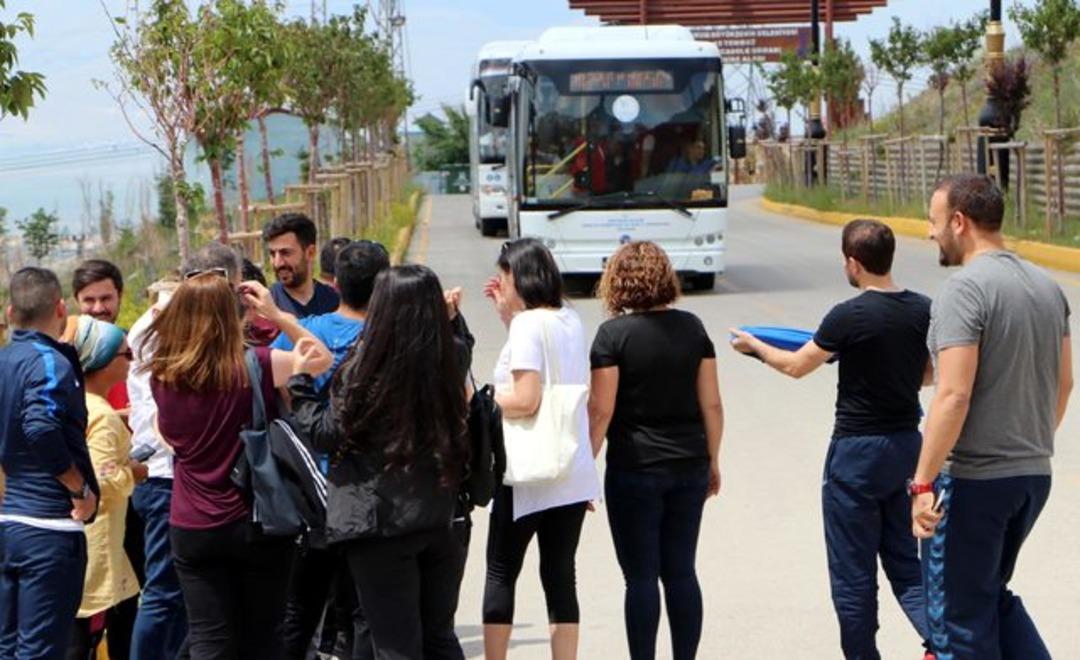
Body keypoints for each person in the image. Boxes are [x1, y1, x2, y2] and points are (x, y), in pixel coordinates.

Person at [731, 219, 934, 660]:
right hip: (906, 448)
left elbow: (795, 365)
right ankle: (944, 646)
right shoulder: (924, 310)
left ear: (853, 263)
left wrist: (754, 347)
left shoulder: (849, 315)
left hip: (856, 454)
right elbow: (932, 374)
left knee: (853, 574)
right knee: (906, 564)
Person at [912, 174, 1073, 660]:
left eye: (935, 222)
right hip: (1030, 476)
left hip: (973, 480)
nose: (930, 233)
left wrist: (921, 485)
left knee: (958, 620)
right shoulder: (1047, 287)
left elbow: (953, 394)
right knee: (990, 599)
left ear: (959, 222)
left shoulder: (964, 290)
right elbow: (1065, 383)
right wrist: (1027, 442)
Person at [141, 266, 331, 659]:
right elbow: (321, 359)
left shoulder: (162, 374)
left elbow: (165, 435)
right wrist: (278, 316)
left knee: (210, 639)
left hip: (191, 523)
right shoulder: (257, 364)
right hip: (256, 518)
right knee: (263, 637)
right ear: (235, 316)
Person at [289, 265, 471, 659]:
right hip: (440, 515)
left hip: (380, 522)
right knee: (439, 637)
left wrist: (301, 383)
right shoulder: (450, 357)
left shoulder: (369, 368)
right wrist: (454, 321)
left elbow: (325, 432)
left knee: (394, 644)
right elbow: (462, 344)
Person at [587, 241, 722, 660]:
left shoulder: (612, 335)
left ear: (617, 283)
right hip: (689, 465)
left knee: (641, 578)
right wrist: (713, 461)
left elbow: (601, 410)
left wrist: (583, 470)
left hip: (634, 469)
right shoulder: (693, 328)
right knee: (681, 571)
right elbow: (712, 404)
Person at [482, 238, 601, 660]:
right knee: (560, 576)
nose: (500, 282)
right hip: (569, 469)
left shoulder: (528, 325)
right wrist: (508, 319)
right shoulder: (570, 317)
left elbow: (527, 399)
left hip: (526, 473)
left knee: (500, 571)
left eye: (505, 275)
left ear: (521, 277)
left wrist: (481, 398)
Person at [274, 239, 390, 660]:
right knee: (360, 610)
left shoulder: (316, 330)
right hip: (372, 493)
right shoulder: (387, 335)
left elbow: (280, 379)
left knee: (301, 607)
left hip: (314, 490)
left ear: (335, 282)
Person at [127, 244, 241, 660]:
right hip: (167, 477)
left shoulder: (164, 324)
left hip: (179, 477)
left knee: (186, 602)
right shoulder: (169, 328)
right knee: (163, 595)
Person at [0, 267, 100, 660]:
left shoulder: (5, 361)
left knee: (8, 649)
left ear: (10, 312)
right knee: (39, 653)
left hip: (9, 526)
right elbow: (40, 428)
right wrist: (79, 487)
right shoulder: (50, 364)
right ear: (61, 308)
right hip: (49, 528)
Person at [70, 258, 141, 658]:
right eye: (89, 300)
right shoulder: (66, 360)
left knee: (129, 591)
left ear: (119, 297)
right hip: (97, 496)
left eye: (105, 298)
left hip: (134, 496)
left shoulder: (130, 349)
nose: (98, 307)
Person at [263, 213, 341, 318]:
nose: (277, 263)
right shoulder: (266, 308)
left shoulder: (334, 303)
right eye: (272, 254)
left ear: (310, 253)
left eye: (285, 253)